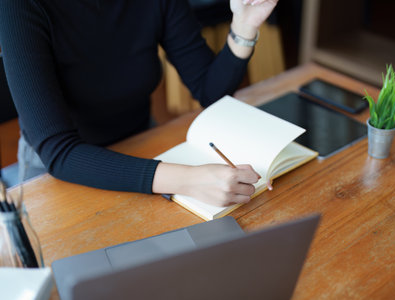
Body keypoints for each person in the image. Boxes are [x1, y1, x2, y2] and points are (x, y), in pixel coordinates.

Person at [0, 0, 278, 207]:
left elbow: (208, 89)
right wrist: (189, 180)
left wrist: (245, 25)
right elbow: (59, 152)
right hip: (58, 172)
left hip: (143, 147)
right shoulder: (20, 6)